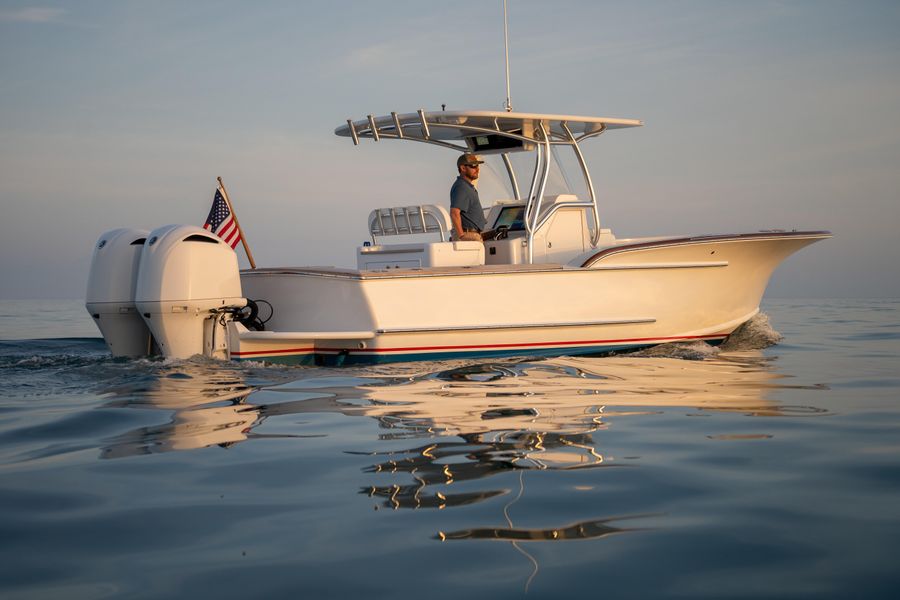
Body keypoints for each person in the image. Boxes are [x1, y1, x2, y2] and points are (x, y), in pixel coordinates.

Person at [450, 154, 487, 241]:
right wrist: (462, 236)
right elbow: (454, 213)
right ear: (463, 168)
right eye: (473, 166)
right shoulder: (461, 187)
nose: (477, 169)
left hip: (472, 234)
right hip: (468, 235)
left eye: (477, 166)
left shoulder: (466, 186)